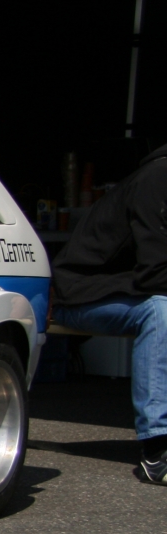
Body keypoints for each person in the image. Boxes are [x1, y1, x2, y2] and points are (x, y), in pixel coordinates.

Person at [51, 144, 167, 484]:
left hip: (126, 289)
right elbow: (155, 275)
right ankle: (157, 448)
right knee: (162, 311)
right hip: (81, 294)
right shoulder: (158, 179)